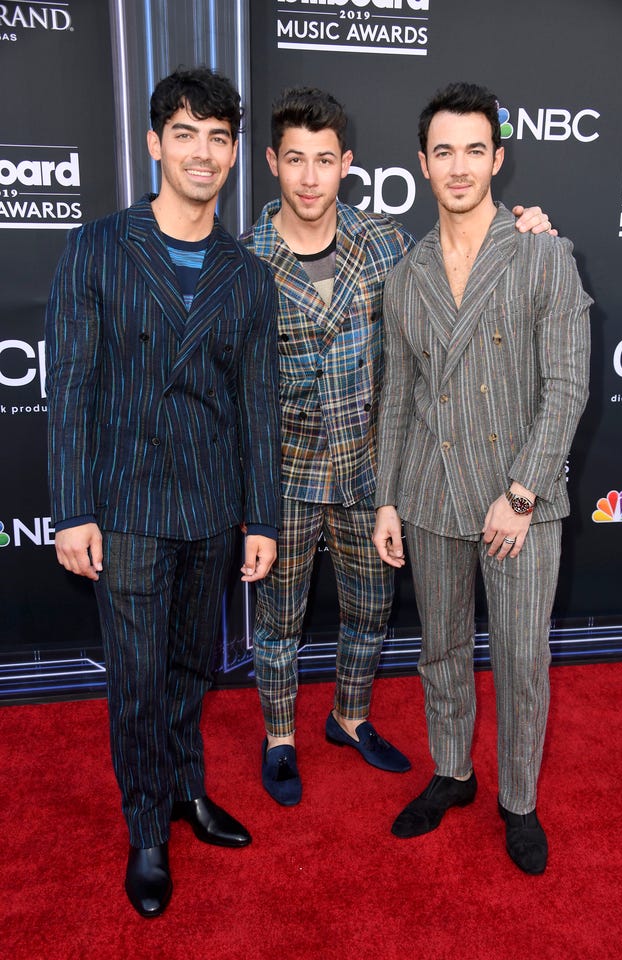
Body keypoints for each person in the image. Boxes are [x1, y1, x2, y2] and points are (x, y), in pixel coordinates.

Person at [241, 86, 554, 806]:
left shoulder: (384, 244)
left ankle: (349, 718)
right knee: (278, 623)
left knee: (370, 613)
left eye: (325, 160)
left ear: (346, 163)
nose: (311, 177)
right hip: (285, 477)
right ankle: (280, 737)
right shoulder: (246, 258)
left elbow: (463, 258)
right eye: (296, 160)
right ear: (273, 164)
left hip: (371, 472)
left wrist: (527, 226)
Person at [45, 67, 281, 917]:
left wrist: (262, 517)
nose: (202, 152)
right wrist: (73, 509)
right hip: (128, 508)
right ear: (154, 144)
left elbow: (257, 407)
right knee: (139, 677)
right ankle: (146, 827)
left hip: (211, 508)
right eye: (185, 134)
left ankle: (187, 790)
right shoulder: (99, 247)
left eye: (218, 137)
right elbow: (70, 386)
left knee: (190, 667)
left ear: (234, 153)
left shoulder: (248, 276)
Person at [373, 82, 591, 875]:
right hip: (432, 495)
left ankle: (519, 800)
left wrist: (523, 493)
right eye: (444, 152)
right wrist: (388, 498)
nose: (459, 166)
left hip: (519, 503)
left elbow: (567, 384)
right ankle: (453, 772)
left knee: (523, 659)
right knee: (441, 651)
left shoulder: (542, 253)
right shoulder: (406, 275)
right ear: (423, 164)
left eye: (474, 150)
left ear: (498, 158)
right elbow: (398, 395)